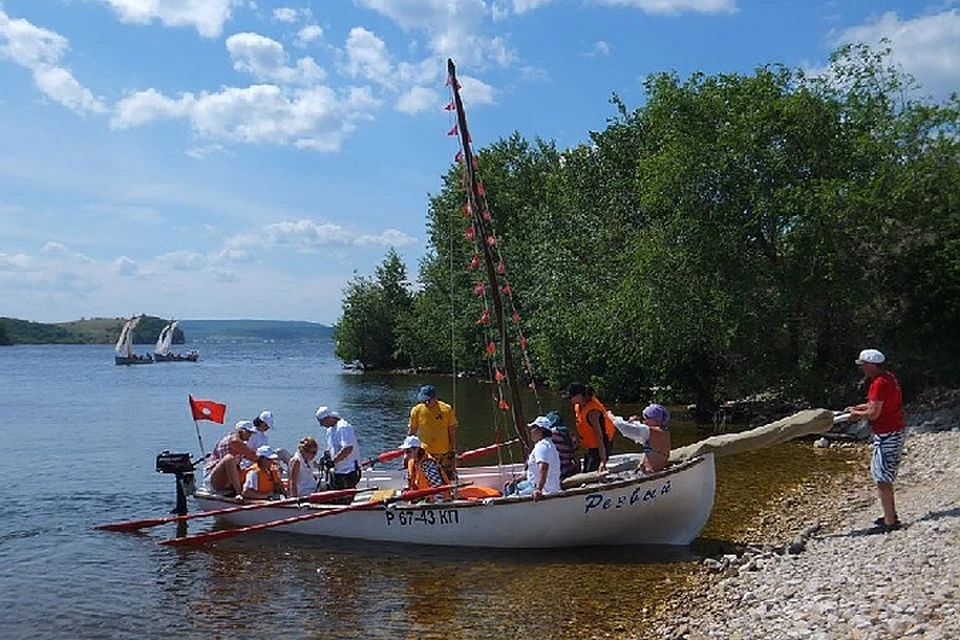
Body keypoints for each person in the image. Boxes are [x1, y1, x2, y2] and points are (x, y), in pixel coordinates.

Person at [845, 348, 906, 533]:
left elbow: (873, 414)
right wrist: (857, 408)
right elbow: (875, 404)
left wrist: (856, 414)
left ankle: (890, 523)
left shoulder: (879, 383)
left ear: (871, 365)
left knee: (882, 479)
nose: (862, 368)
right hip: (893, 431)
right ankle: (890, 515)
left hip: (888, 434)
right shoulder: (888, 378)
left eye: (863, 365)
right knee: (883, 475)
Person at [408, 384, 458, 480]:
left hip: (444, 452)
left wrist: (453, 449)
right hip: (425, 453)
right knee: (426, 479)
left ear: (435, 398)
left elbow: (451, 431)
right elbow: (412, 431)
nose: (426, 403)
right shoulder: (417, 410)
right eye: (423, 400)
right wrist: (408, 451)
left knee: (447, 478)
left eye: (428, 400)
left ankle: (448, 493)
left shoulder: (446, 409)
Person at [564, 382, 615, 473]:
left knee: (591, 473)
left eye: (571, 397)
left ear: (579, 396)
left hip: (601, 446)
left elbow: (600, 437)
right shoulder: (578, 406)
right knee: (585, 470)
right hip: (591, 447)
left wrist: (602, 460)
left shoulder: (593, 412)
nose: (569, 400)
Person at [607, 403, 672, 474]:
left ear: (655, 419)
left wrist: (610, 416)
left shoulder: (651, 432)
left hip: (651, 472)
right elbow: (639, 432)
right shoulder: (663, 431)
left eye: (646, 418)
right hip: (650, 470)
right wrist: (634, 422)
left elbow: (624, 427)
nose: (644, 421)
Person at [513, 417, 562, 500]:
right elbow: (535, 469)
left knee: (510, 495)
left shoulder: (542, 446)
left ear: (540, 431)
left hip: (545, 488)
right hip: (533, 483)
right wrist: (518, 478)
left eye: (533, 428)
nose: (531, 432)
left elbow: (543, 468)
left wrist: (538, 489)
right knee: (510, 487)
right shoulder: (547, 444)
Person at [206, 421, 258, 496]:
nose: (250, 435)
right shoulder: (232, 441)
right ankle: (239, 493)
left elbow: (252, 457)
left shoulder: (240, 443)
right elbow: (228, 464)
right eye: (249, 432)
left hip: (225, 478)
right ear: (241, 431)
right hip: (213, 479)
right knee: (229, 459)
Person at [316, 406, 362, 490]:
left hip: (348, 471)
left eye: (322, 422)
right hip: (338, 470)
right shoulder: (330, 430)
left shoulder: (343, 427)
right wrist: (326, 457)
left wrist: (333, 461)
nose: (321, 425)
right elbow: (331, 447)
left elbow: (348, 448)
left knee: (344, 496)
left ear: (328, 418)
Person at [399, 435, 449, 499]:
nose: (406, 455)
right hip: (421, 498)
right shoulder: (411, 462)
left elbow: (438, 488)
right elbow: (410, 482)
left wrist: (436, 505)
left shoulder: (427, 464)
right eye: (404, 451)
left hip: (434, 501)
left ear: (417, 449)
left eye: (408, 451)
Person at [544, 410, 579, 479]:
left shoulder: (550, 434)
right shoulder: (569, 433)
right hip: (569, 468)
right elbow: (575, 451)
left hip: (558, 471)